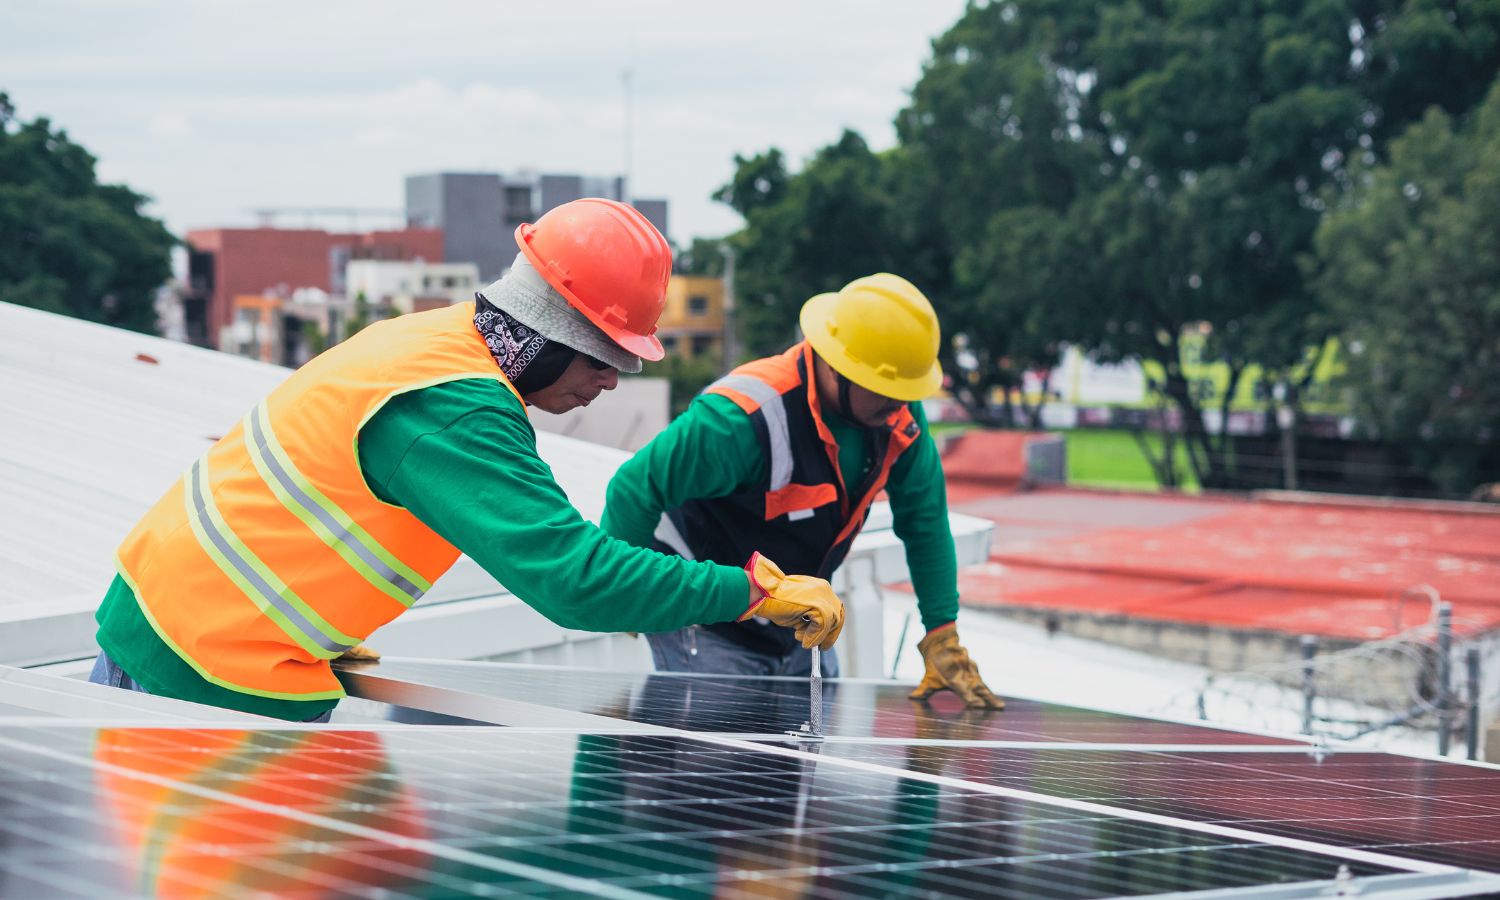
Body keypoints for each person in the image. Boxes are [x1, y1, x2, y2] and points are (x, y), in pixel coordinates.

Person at [89, 198, 844, 722]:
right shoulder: (455, 407)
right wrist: (751, 591)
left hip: (191, 629)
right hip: (200, 666)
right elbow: (573, 582)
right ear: (553, 328)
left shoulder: (435, 341)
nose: (612, 380)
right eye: (607, 356)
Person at [601, 273, 1001, 708]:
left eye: (906, 393)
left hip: (800, 623)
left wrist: (942, 632)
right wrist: (628, 596)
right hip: (708, 622)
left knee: (802, 763)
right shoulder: (741, 418)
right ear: (836, 367)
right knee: (721, 762)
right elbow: (634, 489)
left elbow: (924, 523)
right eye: (887, 390)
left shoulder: (897, 419)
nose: (900, 405)